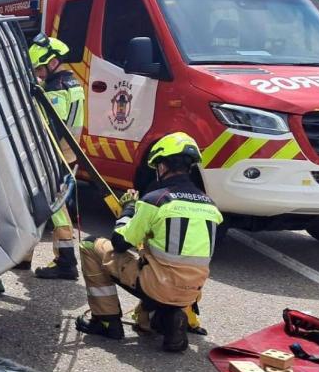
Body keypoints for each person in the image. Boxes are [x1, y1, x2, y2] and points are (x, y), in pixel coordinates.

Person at [75, 132, 222, 352]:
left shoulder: (156, 200)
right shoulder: (210, 205)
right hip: (192, 292)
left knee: (91, 245)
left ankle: (106, 322)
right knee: (147, 313)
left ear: (162, 167)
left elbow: (120, 243)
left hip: (158, 285)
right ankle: (164, 319)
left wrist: (128, 208)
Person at [25, 35, 85, 280]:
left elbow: (51, 127)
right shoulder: (73, 83)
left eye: (39, 68)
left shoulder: (56, 89)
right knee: (41, 204)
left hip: (57, 155)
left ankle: (66, 262)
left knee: (56, 207)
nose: (38, 74)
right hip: (69, 153)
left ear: (51, 63)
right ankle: (23, 257)